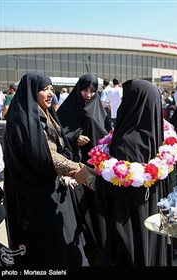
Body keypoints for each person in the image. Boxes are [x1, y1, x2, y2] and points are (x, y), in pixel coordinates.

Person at [3, 71, 94, 267]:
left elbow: (58, 144)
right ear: (32, 91)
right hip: (33, 196)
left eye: (52, 89)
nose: (50, 93)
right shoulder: (24, 120)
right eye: (44, 89)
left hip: (49, 187)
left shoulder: (43, 113)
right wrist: (78, 170)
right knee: (45, 248)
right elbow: (45, 156)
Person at [93, 79, 176, 266]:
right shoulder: (160, 136)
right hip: (152, 216)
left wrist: (92, 178)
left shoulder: (127, 142)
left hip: (130, 223)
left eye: (126, 100)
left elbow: (113, 192)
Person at [57, 73, 112, 266]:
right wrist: (75, 137)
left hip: (96, 168)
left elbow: (106, 135)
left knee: (98, 212)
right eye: (85, 89)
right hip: (76, 169)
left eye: (92, 90)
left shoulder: (100, 109)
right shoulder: (67, 108)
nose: (88, 94)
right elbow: (59, 134)